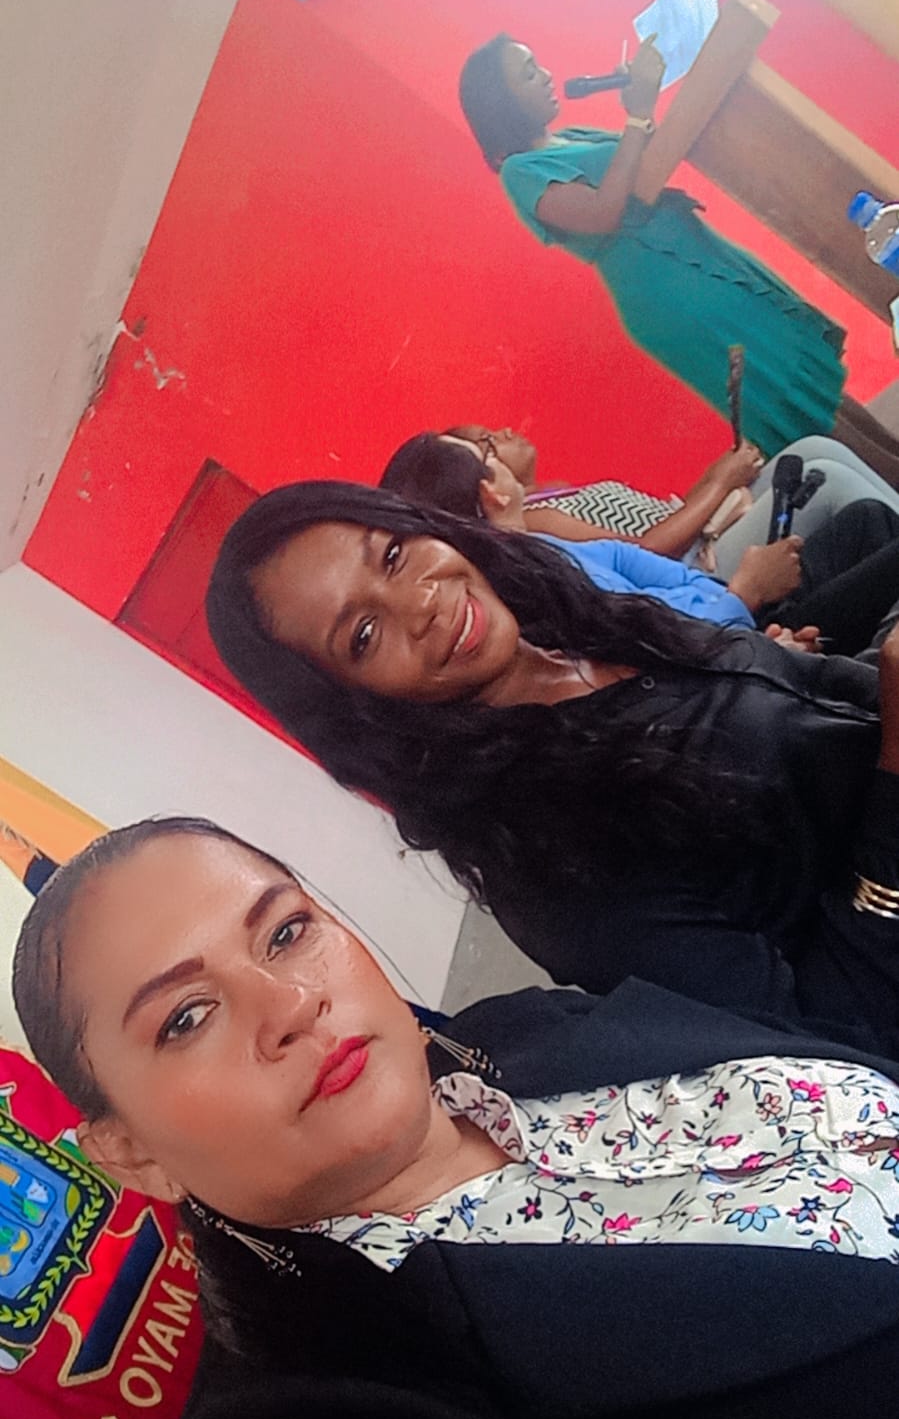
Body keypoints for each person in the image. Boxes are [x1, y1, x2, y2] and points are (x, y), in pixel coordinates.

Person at [12, 815, 899, 1419]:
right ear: (131, 1152)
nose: (291, 1003)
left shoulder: (521, 1027)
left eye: (285, 931)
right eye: (186, 1017)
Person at [205, 480, 899, 1056]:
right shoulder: (551, 870)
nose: (420, 602)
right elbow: (835, 1030)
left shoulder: (571, 618)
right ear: (351, 706)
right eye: (363, 634)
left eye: (392, 554)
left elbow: (813, 686)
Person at [458, 34, 899, 488]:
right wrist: (636, 117)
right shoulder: (520, 172)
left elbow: (643, 165)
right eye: (528, 73)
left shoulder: (569, 139)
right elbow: (602, 213)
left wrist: (639, 106)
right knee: (787, 400)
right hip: (674, 296)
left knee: (811, 387)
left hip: (703, 264)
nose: (547, 76)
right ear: (502, 103)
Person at [381, 429, 899, 653]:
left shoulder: (561, 550)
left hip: (729, 609)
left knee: (866, 519)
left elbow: (668, 575)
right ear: (490, 491)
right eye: (488, 451)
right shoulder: (542, 575)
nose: (502, 439)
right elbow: (665, 641)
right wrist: (746, 593)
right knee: (842, 491)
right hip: (736, 645)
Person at [427, 422, 899, 581]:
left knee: (815, 449)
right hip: (697, 570)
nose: (505, 432)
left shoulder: (557, 493)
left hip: (698, 541)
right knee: (830, 482)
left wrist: (718, 476)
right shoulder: (537, 520)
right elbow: (647, 553)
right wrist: (721, 483)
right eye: (488, 444)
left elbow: (665, 519)